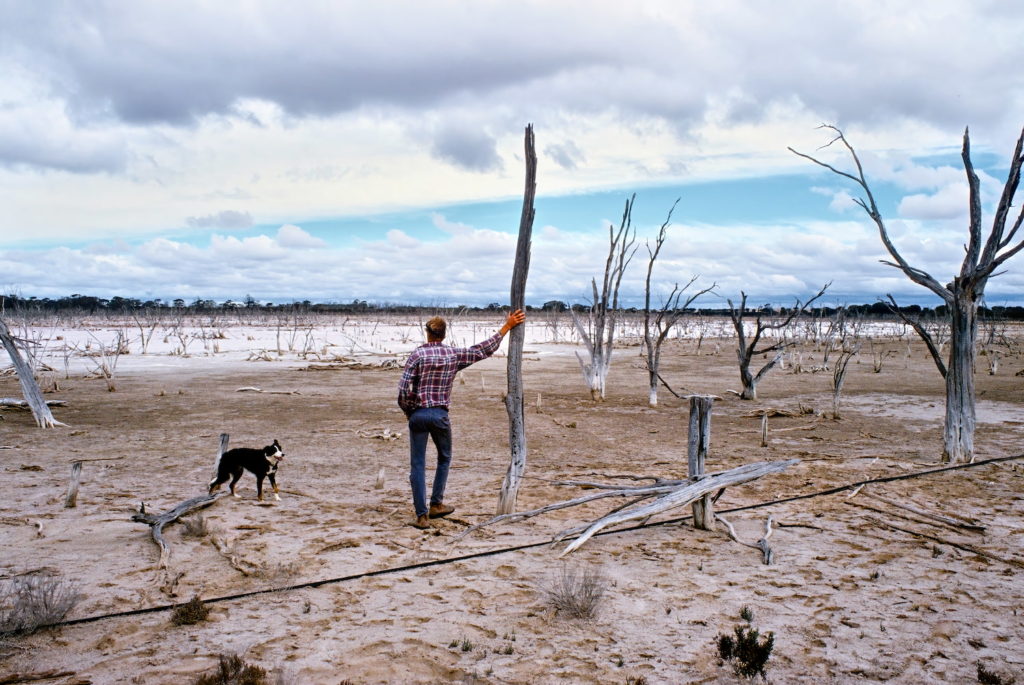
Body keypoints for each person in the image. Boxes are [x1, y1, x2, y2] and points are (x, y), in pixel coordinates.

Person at [397, 309, 526, 529]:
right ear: (444, 335)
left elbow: (403, 389)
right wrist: (507, 326)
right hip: (439, 414)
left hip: (418, 414)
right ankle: (436, 504)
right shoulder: (452, 355)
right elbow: (483, 350)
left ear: (428, 334)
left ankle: (421, 516)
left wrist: (409, 410)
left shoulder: (417, 355)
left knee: (417, 464)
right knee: (444, 457)